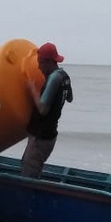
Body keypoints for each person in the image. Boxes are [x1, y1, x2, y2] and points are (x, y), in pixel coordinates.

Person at [21, 42, 73, 178]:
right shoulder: (64, 77)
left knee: (29, 171)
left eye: (40, 63)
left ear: (49, 62)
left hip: (41, 137)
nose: (38, 67)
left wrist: (33, 90)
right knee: (30, 165)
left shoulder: (54, 78)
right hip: (50, 135)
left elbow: (43, 109)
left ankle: (29, 198)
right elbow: (69, 98)